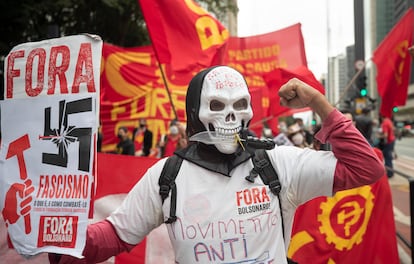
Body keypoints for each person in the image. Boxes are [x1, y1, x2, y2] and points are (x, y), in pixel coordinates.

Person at [50, 66, 384, 264]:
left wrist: (316, 102)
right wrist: (54, 233)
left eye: (240, 105)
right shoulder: (167, 176)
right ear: (196, 112)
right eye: (216, 106)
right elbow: (112, 236)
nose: (230, 116)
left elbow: (365, 168)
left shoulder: (278, 163)